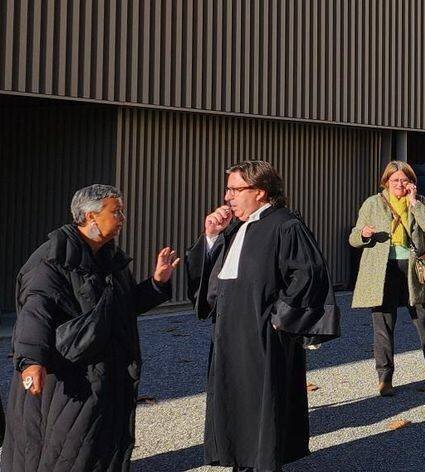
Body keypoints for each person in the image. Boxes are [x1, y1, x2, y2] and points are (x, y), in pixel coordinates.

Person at [3, 185, 179, 472]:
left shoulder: (110, 258)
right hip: (70, 379)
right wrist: (31, 361)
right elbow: (36, 311)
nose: (122, 217)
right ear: (90, 216)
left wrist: (156, 284)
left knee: (101, 447)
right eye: (116, 211)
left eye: (122, 210)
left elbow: (121, 307)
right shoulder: (52, 261)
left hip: (107, 374)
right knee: (68, 451)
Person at [189, 160, 340, 472]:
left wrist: (279, 319)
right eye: (228, 189)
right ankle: (240, 462)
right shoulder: (236, 228)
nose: (227, 196)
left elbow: (308, 274)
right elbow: (214, 283)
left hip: (263, 337)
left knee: (261, 405)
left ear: (259, 191)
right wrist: (212, 237)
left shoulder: (286, 224)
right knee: (235, 402)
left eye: (235, 189)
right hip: (229, 334)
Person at [350, 160, 425, 396]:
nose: (400, 184)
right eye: (395, 180)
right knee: (383, 325)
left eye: (405, 180)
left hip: (413, 267)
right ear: (386, 181)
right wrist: (363, 234)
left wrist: (413, 203)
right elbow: (353, 238)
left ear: (412, 183)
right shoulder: (372, 203)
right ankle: (385, 379)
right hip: (382, 269)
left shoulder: (418, 202)